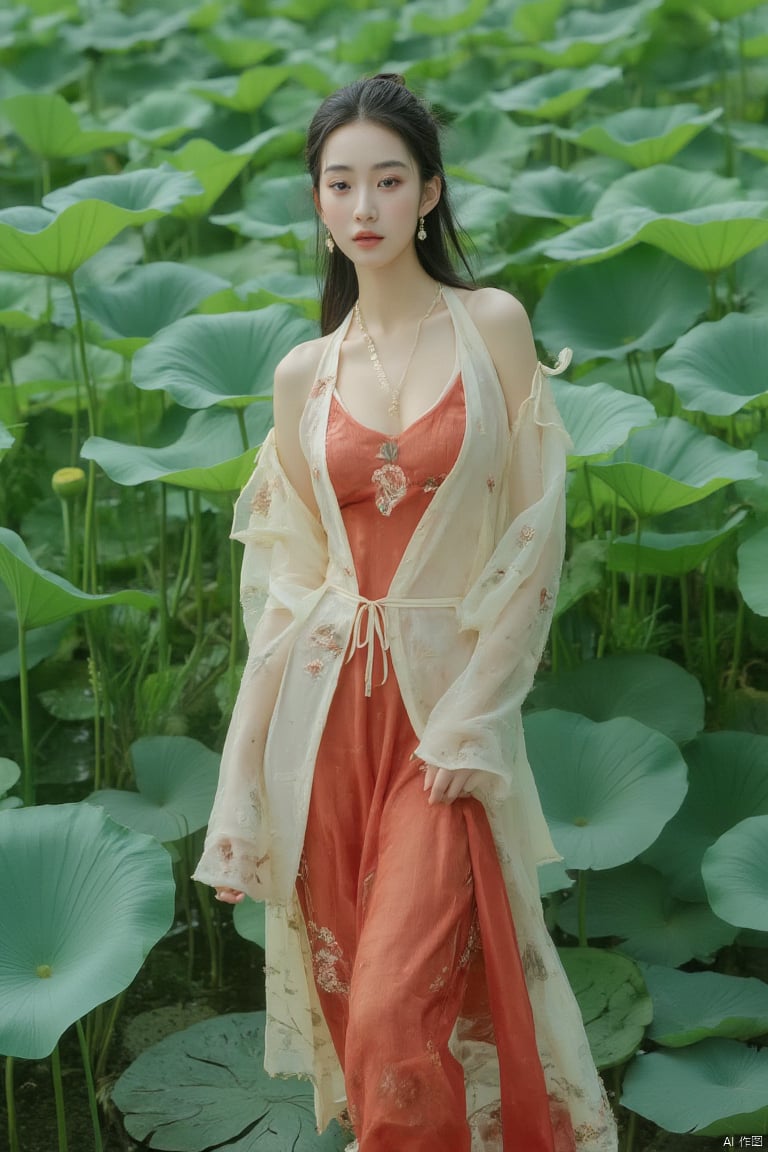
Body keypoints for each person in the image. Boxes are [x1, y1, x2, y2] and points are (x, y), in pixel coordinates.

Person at [193, 74, 617, 1152]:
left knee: (394, 1007)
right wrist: (245, 774)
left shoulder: (491, 327)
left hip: (443, 715)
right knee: (367, 1020)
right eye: (342, 184)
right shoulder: (304, 374)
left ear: (430, 192)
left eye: (389, 179)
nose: (365, 205)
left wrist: (477, 714)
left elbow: (533, 542)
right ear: (319, 203)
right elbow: (285, 585)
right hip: (326, 718)